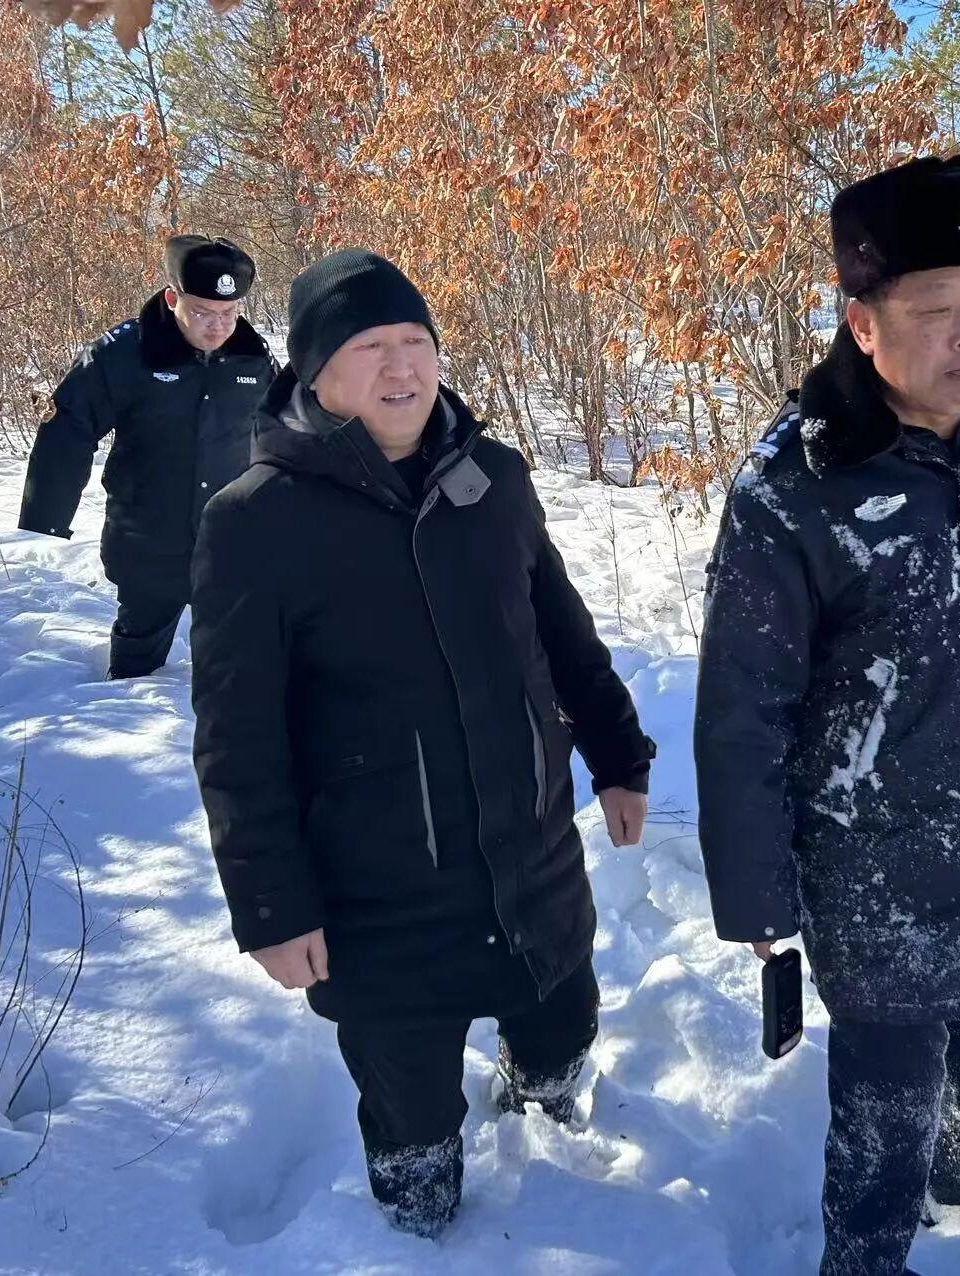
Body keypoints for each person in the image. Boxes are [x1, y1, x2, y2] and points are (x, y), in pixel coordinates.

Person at [694, 154, 960, 1276]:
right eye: (936, 310)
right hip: (876, 872)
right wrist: (756, 890)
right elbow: (743, 706)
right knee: (884, 1124)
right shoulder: (795, 484)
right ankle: (868, 1259)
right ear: (864, 322)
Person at [189, 248, 655, 1238]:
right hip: (380, 897)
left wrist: (619, 755)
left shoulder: (493, 479)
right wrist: (270, 905)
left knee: (561, 1033)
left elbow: (561, 633)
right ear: (316, 371)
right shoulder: (255, 523)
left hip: (532, 859)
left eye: (416, 340)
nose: (403, 365)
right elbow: (238, 737)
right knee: (412, 1119)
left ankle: (546, 1120)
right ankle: (417, 1230)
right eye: (371, 346)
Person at [18, 235, 273, 679]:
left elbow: (283, 431)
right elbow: (69, 427)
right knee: (138, 655)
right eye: (203, 312)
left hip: (232, 537)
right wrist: (46, 514)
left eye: (229, 313)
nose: (218, 327)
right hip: (149, 537)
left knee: (241, 658)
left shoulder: (252, 356)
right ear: (173, 299)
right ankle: (124, 697)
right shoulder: (123, 353)